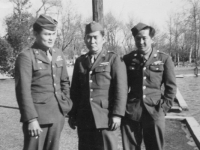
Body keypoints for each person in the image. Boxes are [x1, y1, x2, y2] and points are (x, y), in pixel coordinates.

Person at [15, 14, 72, 150]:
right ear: (36, 33)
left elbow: (64, 81)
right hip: (38, 118)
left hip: (57, 116)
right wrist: (31, 119)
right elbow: (23, 90)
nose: (51, 38)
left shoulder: (58, 54)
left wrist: (66, 103)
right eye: (47, 34)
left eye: (53, 34)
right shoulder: (26, 56)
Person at [68, 21, 128, 150]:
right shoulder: (80, 61)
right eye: (88, 37)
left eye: (95, 37)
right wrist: (73, 114)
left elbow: (121, 89)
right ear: (84, 39)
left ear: (103, 39)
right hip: (85, 119)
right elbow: (75, 92)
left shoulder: (113, 59)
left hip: (106, 119)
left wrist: (117, 115)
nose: (92, 41)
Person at [121, 22, 177, 150]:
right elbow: (122, 86)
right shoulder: (128, 59)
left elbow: (171, 87)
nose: (141, 42)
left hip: (155, 111)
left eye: (144, 38)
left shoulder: (164, 59)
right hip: (131, 111)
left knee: (155, 147)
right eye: (137, 38)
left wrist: (164, 108)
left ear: (152, 39)